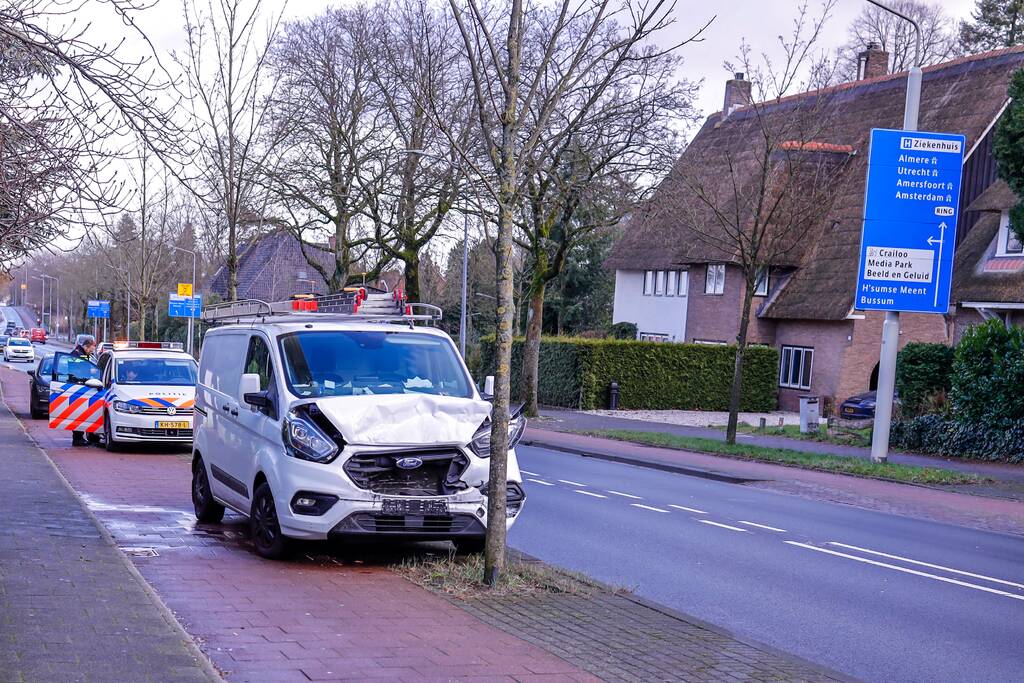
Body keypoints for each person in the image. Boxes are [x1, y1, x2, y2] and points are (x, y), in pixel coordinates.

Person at [70, 335, 100, 447]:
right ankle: (77, 438)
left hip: (80, 386)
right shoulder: (78, 354)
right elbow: (81, 371)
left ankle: (80, 437)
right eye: (91, 350)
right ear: (87, 347)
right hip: (78, 387)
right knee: (78, 414)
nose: (91, 352)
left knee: (81, 413)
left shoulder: (79, 353)